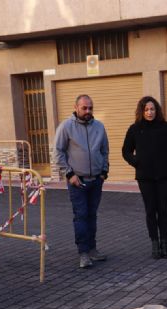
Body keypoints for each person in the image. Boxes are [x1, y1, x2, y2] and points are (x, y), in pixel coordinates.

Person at [55, 94, 109, 269]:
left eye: (90, 108)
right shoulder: (66, 127)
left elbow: (104, 151)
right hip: (77, 181)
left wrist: (104, 172)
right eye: (84, 108)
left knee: (92, 216)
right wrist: (69, 174)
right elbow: (58, 152)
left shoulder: (99, 127)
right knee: (81, 216)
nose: (88, 111)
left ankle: (92, 249)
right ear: (76, 107)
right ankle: (83, 253)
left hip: (96, 181)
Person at [122, 96, 167, 259]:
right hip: (145, 177)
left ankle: (164, 243)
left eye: (152, 109)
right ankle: (154, 244)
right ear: (141, 111)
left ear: (157, 110)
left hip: (163, 176)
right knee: (150, 210)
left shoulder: (166, 127)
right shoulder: (135, 129)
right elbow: (126, 151)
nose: (149, 112)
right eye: (146, 109)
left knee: (163, 210)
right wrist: (136, 162)